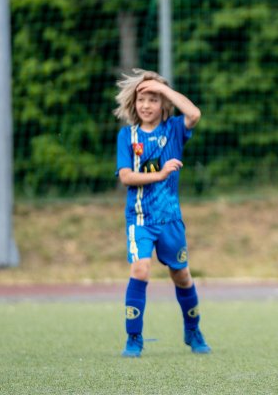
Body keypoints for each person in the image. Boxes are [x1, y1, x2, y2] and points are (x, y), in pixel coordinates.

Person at [114, 68, 210, 357]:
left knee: (181, 276)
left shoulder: (174, 129)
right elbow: (126, 177)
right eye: (142, 98)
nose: (146, 105)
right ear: (134, 103)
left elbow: (194, 114)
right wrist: (160, 174)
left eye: (153, 99)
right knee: (140, 269)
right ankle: (134, 338)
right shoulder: (127, 136)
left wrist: (163, 88)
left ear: (163, 103)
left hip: (170, 219)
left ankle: (193, 331)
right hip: (140, 219)